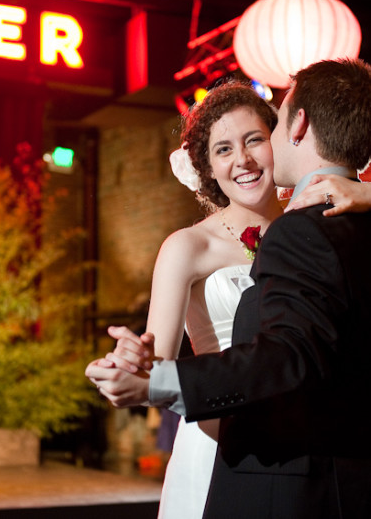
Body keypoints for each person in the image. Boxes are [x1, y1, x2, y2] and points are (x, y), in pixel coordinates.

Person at [86, 69, 371, 519]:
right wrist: (134, 361)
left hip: (311, 443)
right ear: (208, 167)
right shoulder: (188, 246)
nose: (243, 160)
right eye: (223, 149)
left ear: (282, 137)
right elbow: (156, 359)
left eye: (255, 139)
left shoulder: (326, 216)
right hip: (219, 433)